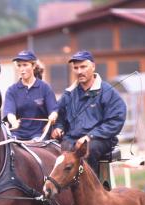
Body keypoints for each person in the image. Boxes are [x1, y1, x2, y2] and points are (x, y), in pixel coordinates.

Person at [52, 50, 127, 178]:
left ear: (93, 66)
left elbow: (116, 120)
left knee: (86, 150)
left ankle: (89, 188)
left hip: (99, 140)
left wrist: (89, 136)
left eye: (83, 66)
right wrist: (58, 127)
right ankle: (62, 190)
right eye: (76, 68)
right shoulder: (69, 94)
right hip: (71, 139)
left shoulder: (108, 92)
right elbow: (60, 116)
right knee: (56, 151)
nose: (79, 71)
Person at [3, 50, 58, 141]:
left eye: (25, 65)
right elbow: (10, 113)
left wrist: (53, 116)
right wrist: (14, 122)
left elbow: (53, 110)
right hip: (17, 134)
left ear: (33, 66)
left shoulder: (45, 88)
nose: (22, 69)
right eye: (19, 65)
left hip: (39, 134)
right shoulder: (11, 90)